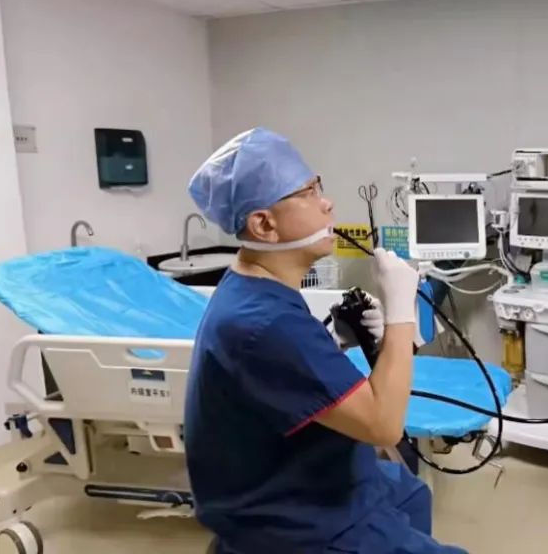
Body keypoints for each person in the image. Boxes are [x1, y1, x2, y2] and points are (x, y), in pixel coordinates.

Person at [183, 128, 466, 554]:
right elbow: (383, 426)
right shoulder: (264, 322)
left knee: (410, 492)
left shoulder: (253, 287)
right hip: (299, 521)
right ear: (264, 224)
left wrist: (334, 340)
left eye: (319, 187)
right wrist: (401, 312)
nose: (327, 203)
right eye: (308, 192)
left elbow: (280, 375)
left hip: (307, 477)